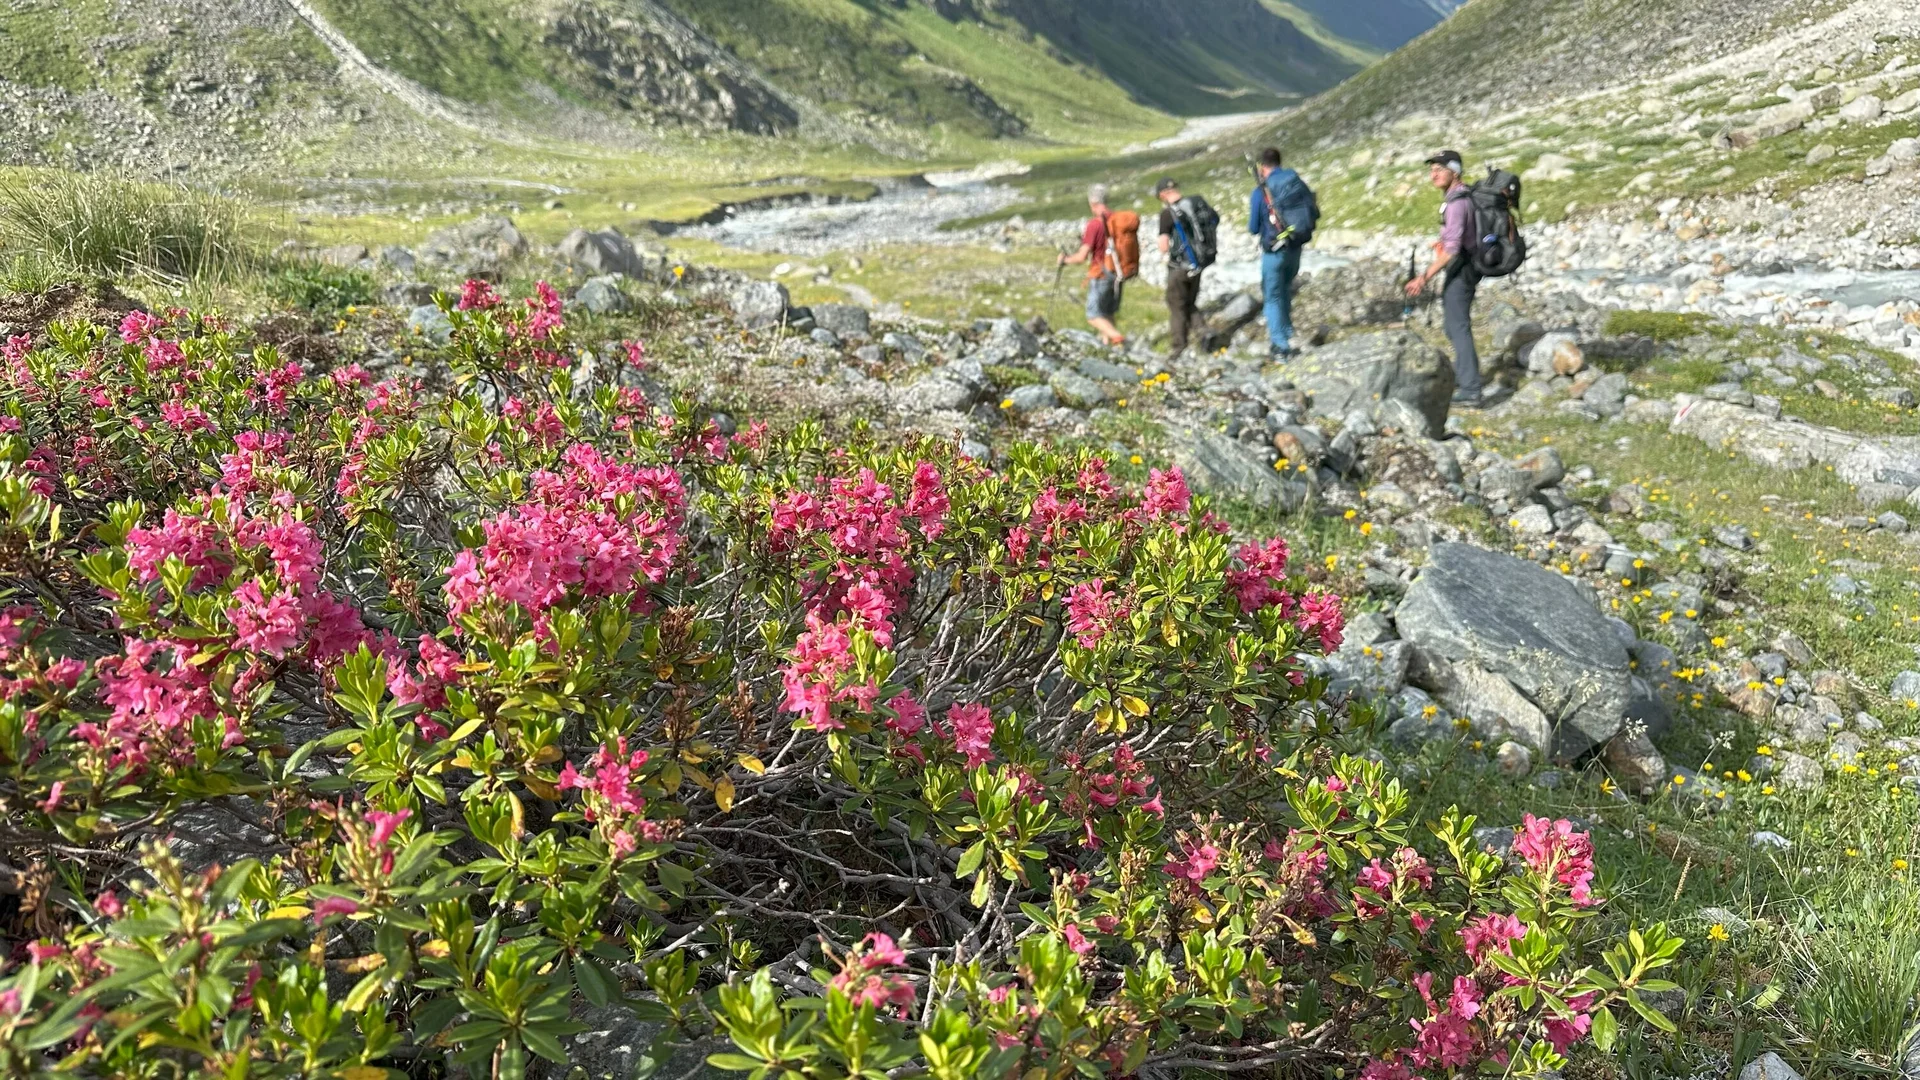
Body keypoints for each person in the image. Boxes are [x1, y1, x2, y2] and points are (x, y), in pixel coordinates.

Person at [1405, 149, 1483, 407]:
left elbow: (1452, 250)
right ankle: (1465, 378)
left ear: (1455, 171)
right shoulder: (1459, 197)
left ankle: (1471, 389)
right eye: (1432, 170)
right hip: (1465, 264)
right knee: (1452, 325)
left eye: (1440, 169)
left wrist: (1422, 278)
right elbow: (1454, 240)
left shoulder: (1457, 202)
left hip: (1463, 267)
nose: (1434, 175)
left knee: (1458, 325)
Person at [1249, 148, 1303, 360]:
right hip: (1296, 247)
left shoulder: (1262, 191)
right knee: (1286, 288)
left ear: (1263, 167)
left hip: (1274, 250)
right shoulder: (1295, 182)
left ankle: (1280, 345)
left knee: (1272, 296)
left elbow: (1253, 227)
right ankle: (1289, 331)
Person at [1057, 184, 1125, 346]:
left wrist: (1064, 260)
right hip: (1118, 273)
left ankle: (1118, 338)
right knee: (1107, 313)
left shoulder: (1095, 224)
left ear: (1092, 203)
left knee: (1094, 315)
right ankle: (1110, 347)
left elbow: (1081, 257)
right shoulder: (1117, 219)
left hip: (1101, 274)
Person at [1154, 178, 1204, 357]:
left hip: (1179, 266)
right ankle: (1203, 332)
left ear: (1162, 195)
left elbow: (1164, 245)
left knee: (1175, 304)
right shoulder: (1195, 204)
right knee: (1189, 301)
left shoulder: (1168, 213)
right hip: (1198, 262)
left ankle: (1178, 345)